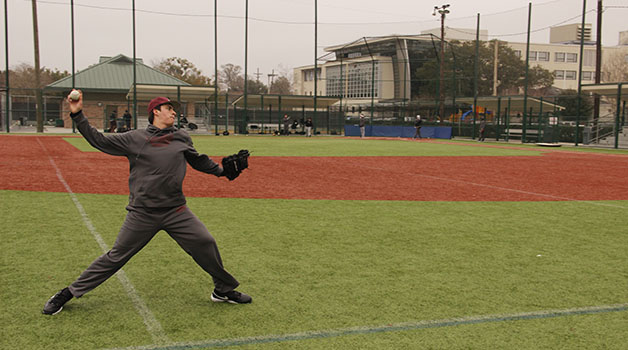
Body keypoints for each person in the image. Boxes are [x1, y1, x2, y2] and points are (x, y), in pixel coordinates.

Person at [42, 93, 252, 316]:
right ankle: (67, 293)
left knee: (205, 242)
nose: (174, 112)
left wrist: (222, 171)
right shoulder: (135, 138)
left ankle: (223, 290)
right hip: (143, 213)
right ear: (156, 111)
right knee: (116, 256)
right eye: (169, 108)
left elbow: (197, 160)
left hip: (176, 210)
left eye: (174, 109)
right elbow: (99, 140)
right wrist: (77, 114)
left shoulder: (181, 136)